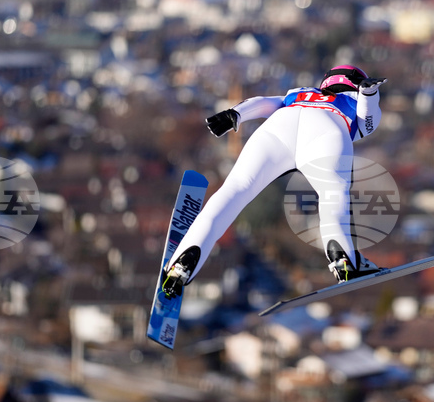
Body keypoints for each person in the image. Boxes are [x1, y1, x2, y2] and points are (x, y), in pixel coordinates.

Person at [163, 65, 386, 296]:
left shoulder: (301, 91)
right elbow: (368, 120)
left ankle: (184, 261)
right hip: (327, 130)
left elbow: (264, 102)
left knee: (235, 189)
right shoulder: (351, 100)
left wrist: (235, 114)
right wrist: (369, 94)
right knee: (333, 196)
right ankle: (344, 262)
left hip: (278, 127)